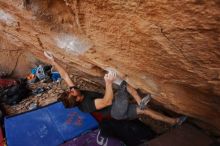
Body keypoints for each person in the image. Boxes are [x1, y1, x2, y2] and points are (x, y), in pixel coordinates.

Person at [44, 51, 187, 126]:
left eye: (70, 90)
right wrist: (108, 82)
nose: (72, 89)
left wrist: (52, 60)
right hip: (115, 109)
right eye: (72, 91)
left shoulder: (75, 93)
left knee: (147, 111)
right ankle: (139, 100)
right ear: (77, 99)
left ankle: (175, 122)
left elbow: (64, 75)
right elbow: (107, 101)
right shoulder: (87, 105)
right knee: (123, 85)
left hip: (119, 114)